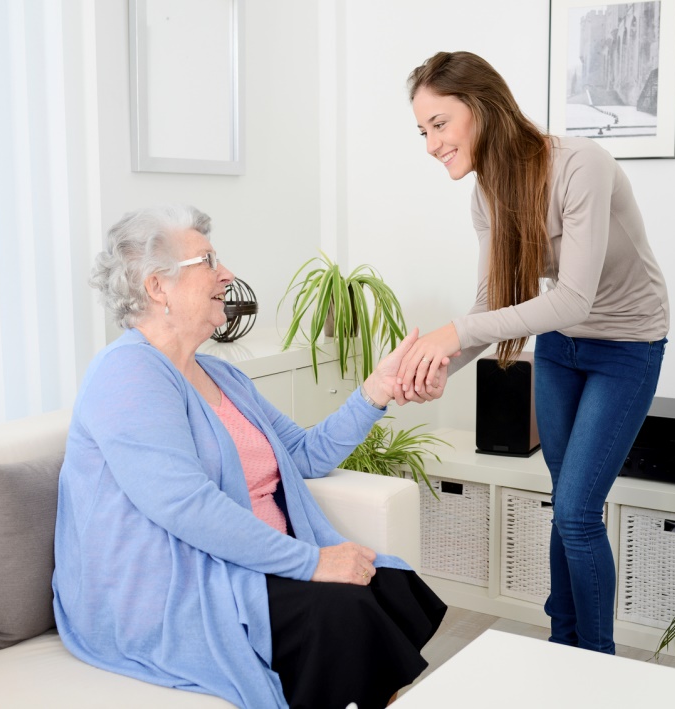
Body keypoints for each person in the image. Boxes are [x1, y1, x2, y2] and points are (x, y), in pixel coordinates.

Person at [52, 205, 446, 709]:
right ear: (157, 287)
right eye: (208, 262)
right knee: (343, 609)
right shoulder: (128, 373)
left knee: (388, 583)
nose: (228, 275)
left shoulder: (222, 376)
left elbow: (303, 453)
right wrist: (311, 561)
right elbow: (184, 505)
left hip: (251, 561)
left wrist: (377, 389)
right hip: (174, 585)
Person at [398, 51, 669, 655]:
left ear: (482, 107)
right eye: (423, 131)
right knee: (564, 506)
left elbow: (572, 298)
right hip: (562, 349)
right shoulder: (488, 197)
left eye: (439, 124)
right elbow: (489, 309)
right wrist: (435, 363)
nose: (430, 144)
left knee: (577, 510)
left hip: (627, 345)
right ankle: (561, 648)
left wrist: (451, 335)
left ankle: (596, 666)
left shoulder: (581, 166)